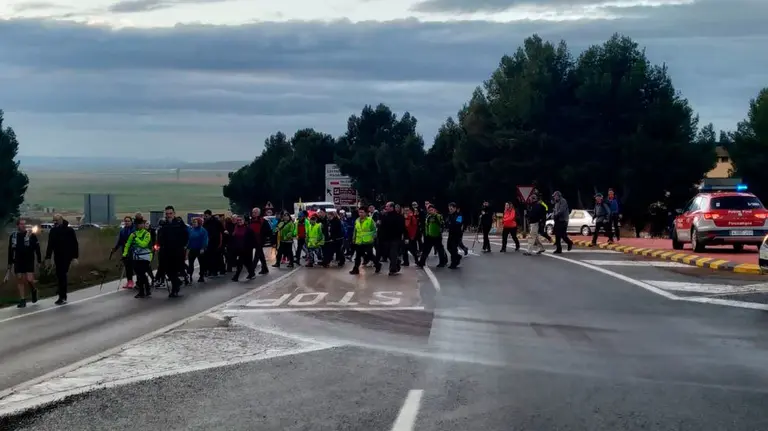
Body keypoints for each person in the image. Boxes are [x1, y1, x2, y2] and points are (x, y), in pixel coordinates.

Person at [44, 214, 79, 305]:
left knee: (62, 274)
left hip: (67, 256)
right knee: (60, 275)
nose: (55, 222)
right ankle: (61, 292)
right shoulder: (53, 231)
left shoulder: (69, 230)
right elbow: (50, 245)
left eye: (56, 220)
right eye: (53, 220)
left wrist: (75, 257)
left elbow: (74, 244)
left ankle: (62, 296)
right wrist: (48, 257)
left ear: (61, 220)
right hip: (57, 256)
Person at [7, 219, 42, 308]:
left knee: (29, 279)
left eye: (24, 224)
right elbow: (10, 250)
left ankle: (34, 290)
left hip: (28, 260)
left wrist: (39, 260)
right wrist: (10, 263)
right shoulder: (13, 236)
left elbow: (37, 248)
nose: (23, 226)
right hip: (18, 260)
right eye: (21, 224)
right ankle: (22, 299)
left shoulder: (31, 235)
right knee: (19, 279)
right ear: (17, 225)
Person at [157, 205, 188, 297]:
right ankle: (177, 283)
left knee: (174, 270)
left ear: (174, 213)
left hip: (177, 251)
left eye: (170, 213)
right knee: (167, 270)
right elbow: (159, 237)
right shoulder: (163, 224)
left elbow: (185, 236)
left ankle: (175, 288)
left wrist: (182, 247)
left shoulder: (179, 223)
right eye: (167, 214)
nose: (169, 215)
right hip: (165, 251)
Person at [123, 217, 154, 298]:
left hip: (146, 256)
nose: (139, 226)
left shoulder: (146, 234)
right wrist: (125, 253)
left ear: (143, 225)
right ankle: (145, 289)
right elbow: (127, 244)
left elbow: (143, 244)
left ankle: (143, 290)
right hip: (136, 257)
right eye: (137, 224)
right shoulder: (133, 234)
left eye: (140, 224)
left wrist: (136, 239)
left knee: (141, 273)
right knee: (139, 274)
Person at [349, 207, 380, 275]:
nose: (360, 214)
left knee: (370, 255)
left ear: (366, 213)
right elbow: (355, 230)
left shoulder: (370, 220)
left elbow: (374, 230)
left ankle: (377, 265)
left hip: (368, 241)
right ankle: (355, 269)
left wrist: (373, 237)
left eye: (362, 212)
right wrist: (353, 239)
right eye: (359, 212)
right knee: (358, 256)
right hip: (359, 241)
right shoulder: (357, 220)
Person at [378, 201, 405, 275]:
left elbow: (402, 228)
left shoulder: (399, 217)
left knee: (393, 253)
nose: (386, 208)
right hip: (386, 238)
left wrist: (403, 237)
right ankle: (397, 262)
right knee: (386, 253)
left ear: (392, 207)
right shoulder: (384, 216)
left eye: (387, 206)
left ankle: (393, 269)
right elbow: (381, 227)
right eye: (386, 206)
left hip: (395, 238)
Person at [231, 215, 256, 281]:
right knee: (246, 263)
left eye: (240, 220)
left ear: (244, 221)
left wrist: (251, 246)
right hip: (238, 248)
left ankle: (236, 276)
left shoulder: (248, 229)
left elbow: (252, 239)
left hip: (246, 249)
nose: (239, 221)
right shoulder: (236, 228)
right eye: (238, 220)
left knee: (241, 263)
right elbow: (234, 237)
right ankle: (251, 273)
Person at [113, 216, 135, 289]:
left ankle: (138, 282)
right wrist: (115, 248)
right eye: (126, 221)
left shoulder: (134, 230)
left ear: (131, 222)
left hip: (133, 251)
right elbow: (120, 241)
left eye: (128, 221)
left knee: (133, 267)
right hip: (125, 251)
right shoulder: (122, 230)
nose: (127, 222)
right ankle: (129, 281)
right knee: (127, 267)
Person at [248, 208, 271, 275]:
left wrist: (268, 239)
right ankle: (265, 268)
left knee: (257, 256)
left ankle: (252, 270)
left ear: (258, 213)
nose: (253, 213)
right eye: (253, 212)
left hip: (260, 240)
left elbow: (268, 230)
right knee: (261, 255)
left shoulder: (263, 221)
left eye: (255, 212)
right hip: (252, 240)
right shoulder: (250, 221)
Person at [203, 209, 224, 277]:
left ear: (210, 215)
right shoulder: (205, 222)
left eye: (206, 216)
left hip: (216, 241)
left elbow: (222, 230)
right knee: (209, 257)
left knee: (216, 257)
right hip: (208, 241)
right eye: (205, 216)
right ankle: (210, 270)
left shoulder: (216, 222)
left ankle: (216, 271)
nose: (205, 217)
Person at [187, 217, 209, 283]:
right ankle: (190, 275)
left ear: (199, 223)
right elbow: (189, 239)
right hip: (192, 249)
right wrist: (187, 247)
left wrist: (203, 248)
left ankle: (201, 276)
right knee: (190, 263)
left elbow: (205, 240)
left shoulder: (203, 230)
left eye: (195, 222)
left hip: (200, 249)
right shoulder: (191, 230)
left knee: (201, 263)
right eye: (193, 222)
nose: (194, 223)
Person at [445, 202, 464, 269]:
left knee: (453, 249)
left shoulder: (459, 215)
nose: (450, 209)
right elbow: (447, 223)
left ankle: (454, 263)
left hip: (457, 234)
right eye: (449, 208)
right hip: (451, 234)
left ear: (455, 208)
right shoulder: (450, 215)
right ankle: (457, 257)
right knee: (448, 247)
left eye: (451, 208)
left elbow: (458, 224)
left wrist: (450, 224)